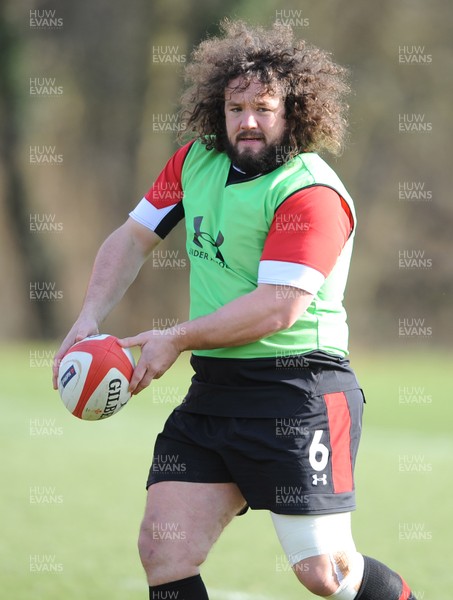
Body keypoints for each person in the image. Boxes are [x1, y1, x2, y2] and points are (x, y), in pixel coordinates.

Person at [53, 20, 417, 600]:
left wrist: (174, 337)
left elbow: (278, 309)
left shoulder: (311, 193)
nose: (247, 120)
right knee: (163, 548)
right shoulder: (194, 163)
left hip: (301, 395)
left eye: (264, 107)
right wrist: (87, 316)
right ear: (217, 109)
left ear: (293, 112)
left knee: (325, 574)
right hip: (217, 393)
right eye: (235, 106)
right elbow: (131, 239)